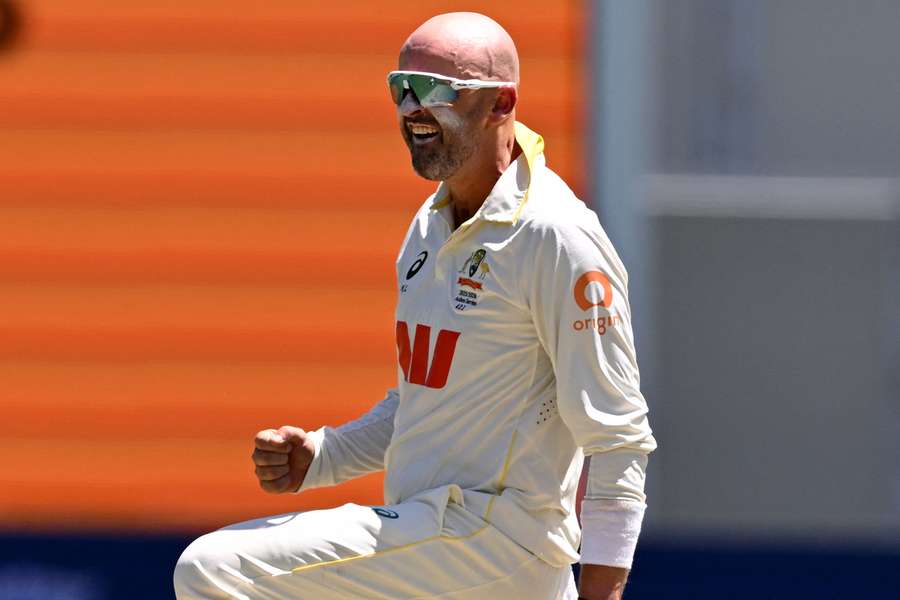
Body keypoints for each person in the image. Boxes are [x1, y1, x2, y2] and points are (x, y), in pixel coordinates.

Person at [174, 12, 655, 600]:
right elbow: (422, 405)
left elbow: (618, 442)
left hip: (495, 542)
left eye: (434, 90)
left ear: (502, 103)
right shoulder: (430, 224)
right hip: (436, 544)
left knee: (211, 568)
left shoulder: (557, 236)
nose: (410, 108)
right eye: (399, 87)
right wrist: (322, 457)